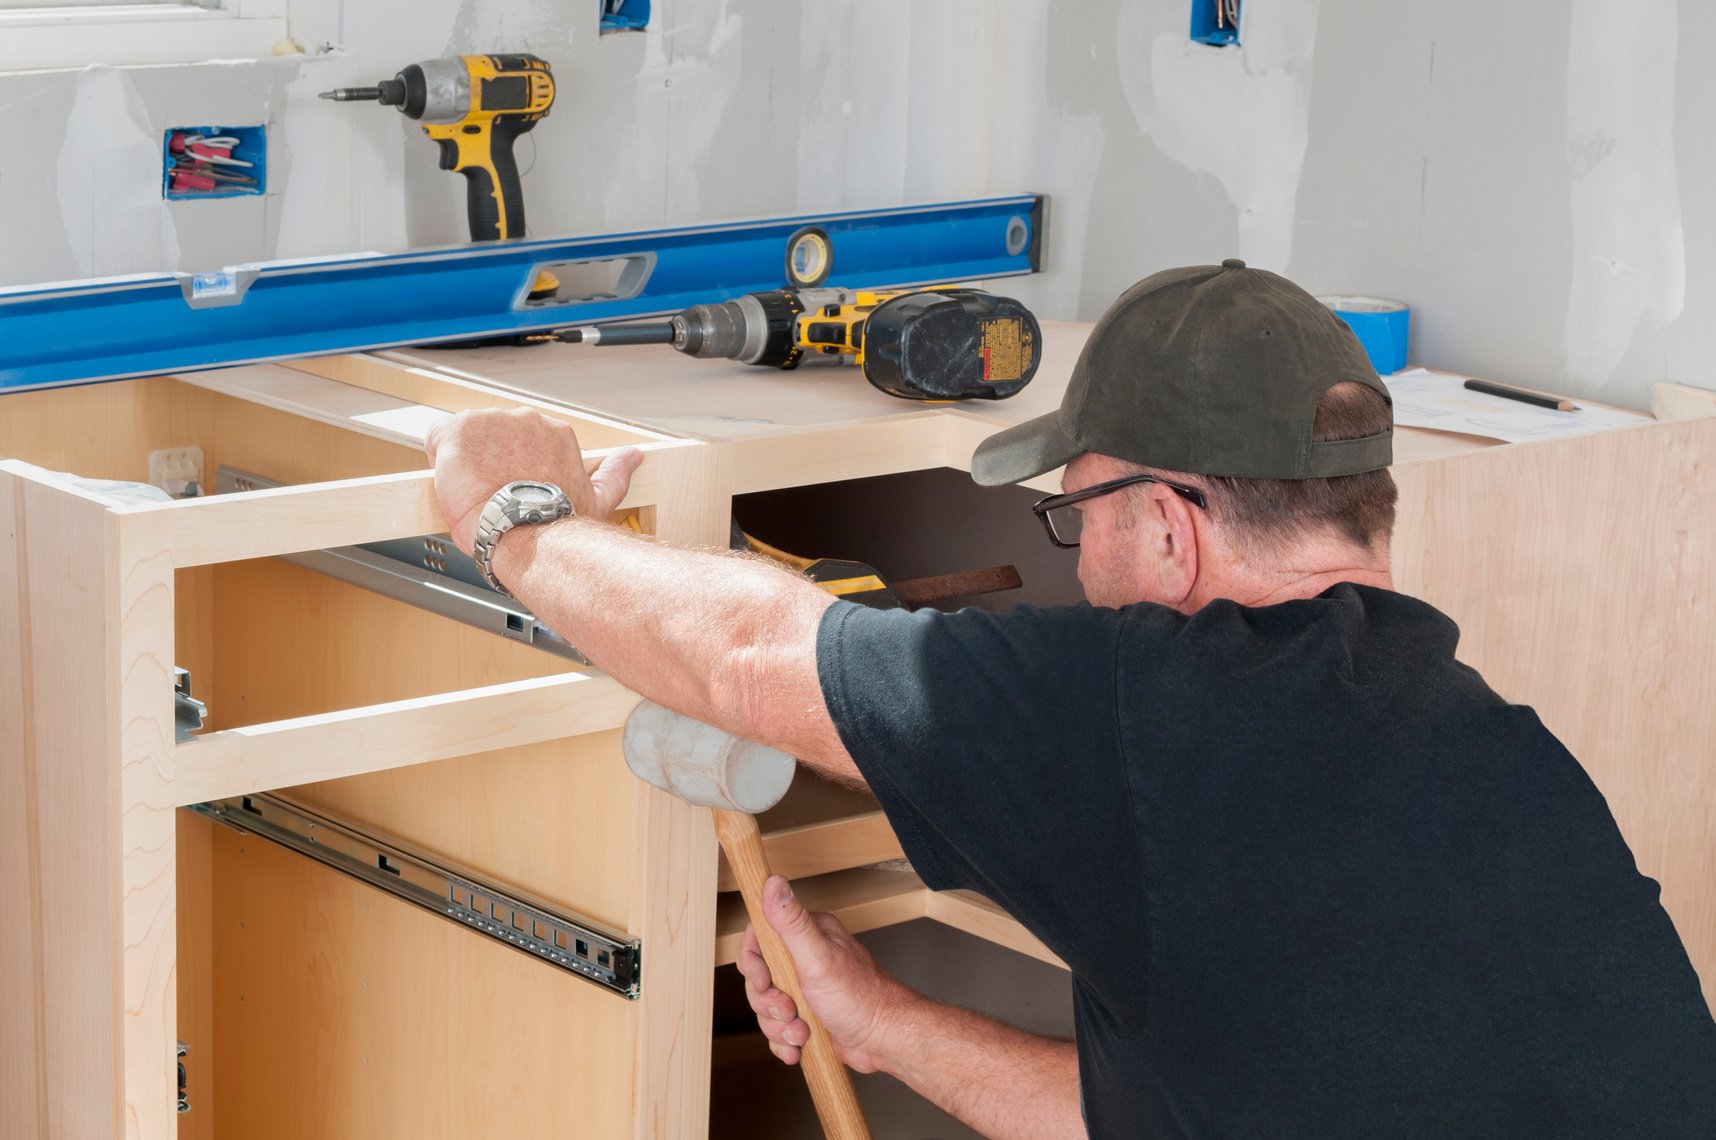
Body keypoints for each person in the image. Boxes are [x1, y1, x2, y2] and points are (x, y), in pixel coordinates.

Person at [425, 261, 1716, 1138]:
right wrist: (882, 1028)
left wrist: (514, 518)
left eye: (1071, 514)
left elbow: (748, 658)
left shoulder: (1158, 708)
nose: (1074, 559)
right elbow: (1197, 1110)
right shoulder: (1490, 752)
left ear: (1165, 522)